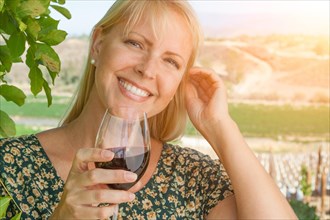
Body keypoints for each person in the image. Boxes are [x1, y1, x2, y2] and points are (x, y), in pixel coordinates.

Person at [0, 1, 297, 219]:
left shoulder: (194, 177)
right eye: (135, 43)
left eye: (171, 61)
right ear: (98, 44)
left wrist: (220, 125)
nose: (147, 70)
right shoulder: (7, 166)